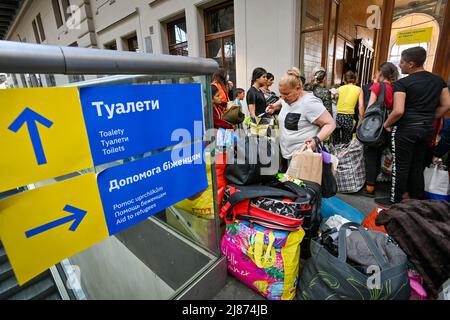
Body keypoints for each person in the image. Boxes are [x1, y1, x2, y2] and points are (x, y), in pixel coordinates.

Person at [375, 47, 450, 207]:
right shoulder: (438, 80)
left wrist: (386, 124)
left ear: (411, 64)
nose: (400, 66)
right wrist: (430, 117)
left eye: (402, 62)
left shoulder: (402, 83)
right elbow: (447, 104)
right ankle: (417, 199)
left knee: (401, 165)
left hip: (406, 129)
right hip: (426, 129)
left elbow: (398, 110)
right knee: (418, 164)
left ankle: (395, 199)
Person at [265, 67, 336, 171]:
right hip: (286, 154)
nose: (283, 97)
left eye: (286, 94)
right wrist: (274, 106)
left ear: (298, 88)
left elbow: (330, 124)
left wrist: (316, 140)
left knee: (299, 186)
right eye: (281, 94)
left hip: (303, 158)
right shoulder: (287, 98)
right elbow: (282, 101)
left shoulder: (309, 103)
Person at [360, 62, 399, 197]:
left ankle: (370, 187)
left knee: (370, 156)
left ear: (381, 73)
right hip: (388, 125)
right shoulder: (395, 88)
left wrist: (362, 122)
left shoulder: (377, 86)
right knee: (379, 154)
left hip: (374, 126)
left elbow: (370, 107)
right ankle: (377, 182)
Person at [332, 71, 361, 144]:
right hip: (348, 116)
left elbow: (334, 102)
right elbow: (361, 106)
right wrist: (361, 119)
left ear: (344, 80)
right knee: (346, 140)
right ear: (355, 80)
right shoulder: (359, 89)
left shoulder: (339, 89)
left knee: (336, 139)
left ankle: (336, 153)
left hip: (337, 115)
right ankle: (344, 154)